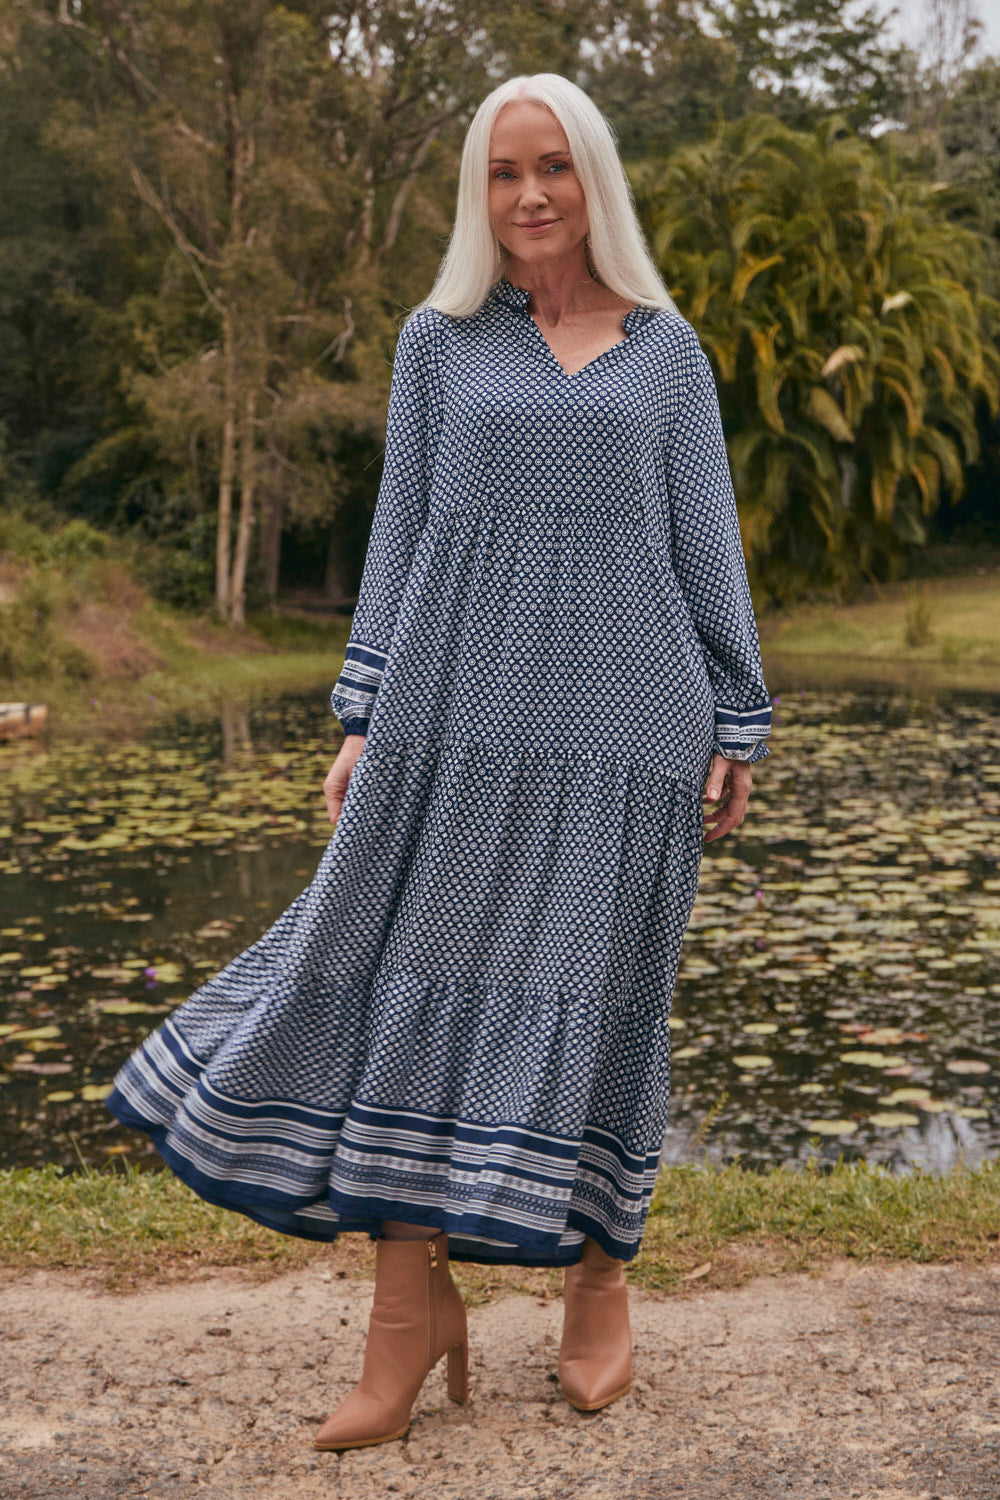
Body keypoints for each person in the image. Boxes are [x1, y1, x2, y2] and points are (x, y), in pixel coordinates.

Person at [106, 70, 772, 1452]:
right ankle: (407, 1319)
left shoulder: (667, 352)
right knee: (403, 979)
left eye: (554, 167)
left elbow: (706, 547)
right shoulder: (439, 342)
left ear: (594, 179)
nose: (530, 194)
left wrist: (738, 718)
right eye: (502, 171)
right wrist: (361, 712)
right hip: (453, 714)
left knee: (606, 994)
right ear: (479, 192)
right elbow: (401, 536)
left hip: (628, 726)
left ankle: (600, 1284)